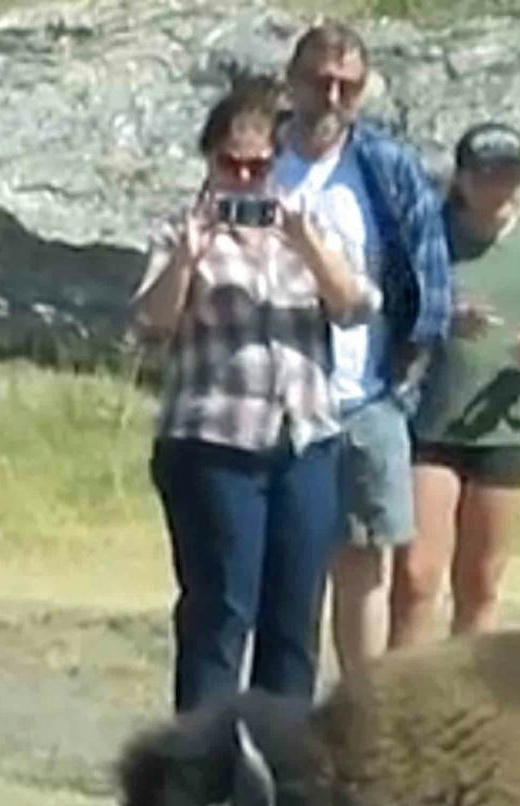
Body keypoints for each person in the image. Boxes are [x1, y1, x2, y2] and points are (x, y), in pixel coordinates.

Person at [130, 74, 377, 712]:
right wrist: (187, 260)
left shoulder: (311, 227)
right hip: (213, 441)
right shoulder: (176, 231)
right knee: (221, 611)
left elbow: (354, 306)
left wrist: (307, 245)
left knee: (294, 617)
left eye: (258, 166)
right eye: (230, 165)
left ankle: (280, 769)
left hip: (304, 438)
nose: (244, 179)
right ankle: (204, 768)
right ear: (209, 161)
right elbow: (151, 326)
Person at [270, 21, 453, 683]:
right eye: (320, 81)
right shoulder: (258, 161)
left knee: (365, 567)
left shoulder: (385, 165)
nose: (333, 95)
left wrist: (405, 382)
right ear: (292, 82)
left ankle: (362, 713)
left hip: (366, 396)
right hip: (274, 399)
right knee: (286, 566)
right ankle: (282, 711)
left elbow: (430, 274)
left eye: (347, 85)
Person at [392, 122, 520, 646]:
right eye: (487, 175)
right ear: (462, 178)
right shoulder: (428, 235)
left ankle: (468, 699)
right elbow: (391, 308)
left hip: (505, 427)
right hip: (428, 421)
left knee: (479, 582)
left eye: (509, 175)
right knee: (415, 575)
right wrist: (443, 316)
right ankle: (399, 694)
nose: (498, 187)